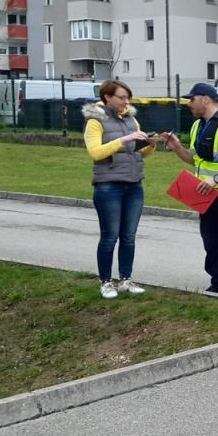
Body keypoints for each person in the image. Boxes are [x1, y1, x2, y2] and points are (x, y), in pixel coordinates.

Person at [160, 82, 218, 298]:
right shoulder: (197, 126)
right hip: (204, 194)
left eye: (191, 99)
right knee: (211, 242)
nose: (188, 104)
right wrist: (176, 147)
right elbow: (194, 160)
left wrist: (215, 180)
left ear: (205, 99)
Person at [83, 79, 155, 299]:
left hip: (134, 185)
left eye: (128, 98)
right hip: (108, 186)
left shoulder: (131, 119)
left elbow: (138, 152)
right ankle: (106, 282)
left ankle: (125, 279)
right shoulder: (95, 121)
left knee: (129, 236)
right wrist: (124, 139)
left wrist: (151, 143)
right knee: (109, 236)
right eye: (121, 97)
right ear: (107, 97)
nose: (126, 102)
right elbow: (95, 152)